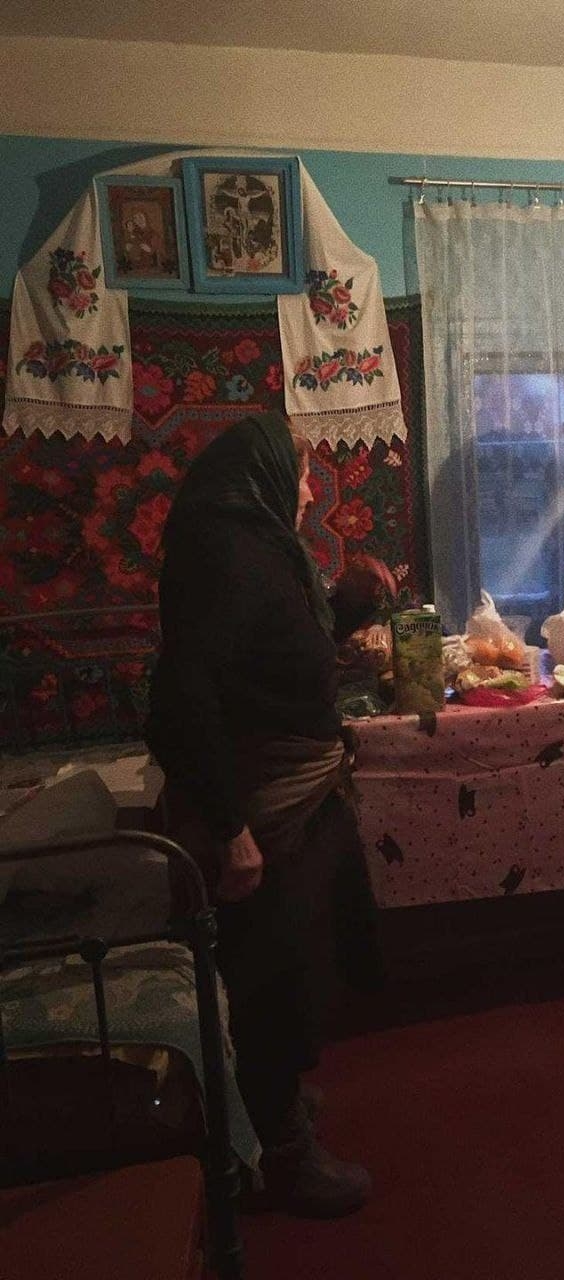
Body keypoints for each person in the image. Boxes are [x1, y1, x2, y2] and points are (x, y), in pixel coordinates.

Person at [146, 411, 397, 1215]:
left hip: (298, 798)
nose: (308, 494)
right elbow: (182, 701)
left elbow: (279, 648)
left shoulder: (258, 548)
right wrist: (232, 830)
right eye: (300, 476)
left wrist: (352, 604)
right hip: (266, 807)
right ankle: (283, 1153)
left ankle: (272, 1101)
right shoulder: (226, 558)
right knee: (273, 978)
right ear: (259, 477)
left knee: (303, 961)